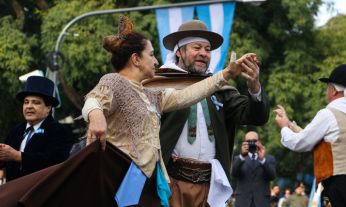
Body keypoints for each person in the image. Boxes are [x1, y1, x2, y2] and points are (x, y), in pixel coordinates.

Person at [82, 16, 251, 207]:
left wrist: (226, 73)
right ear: (136, 59)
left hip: (148, 178)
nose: (156, 61)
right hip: (124, 175)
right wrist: (95, 115)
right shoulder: (114, 81)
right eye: (152, 55)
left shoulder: (151, 94)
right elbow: (93, 99)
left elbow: (188, 95)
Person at [158, 20, 270, 207]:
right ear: (179, 52)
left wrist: (254, 86)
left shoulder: (219, 88)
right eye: (197, 47)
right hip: (171, 183)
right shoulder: (161, 85)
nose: (203, 53)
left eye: (208, 49)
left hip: (210, 187)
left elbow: (255, 116)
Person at [274, 64, 346, 207]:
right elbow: (321, 140)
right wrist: (290, 125)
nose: (326, 91)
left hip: (337, 187)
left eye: (328, 87)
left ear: (334, 90)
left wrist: (283, 128)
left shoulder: (328, 114)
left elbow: (300, 143)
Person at [0, 76, 73, 181]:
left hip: (41, 193)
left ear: (48, 108)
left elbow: (55, 161)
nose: (29, 106)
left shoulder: (59, 131)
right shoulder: (16, 130)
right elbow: (6, 160)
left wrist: (18, 156)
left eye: (36, 102)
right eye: (26, 102)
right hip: (14, 193)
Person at [231, 131, 276, 207]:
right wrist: (242, 156)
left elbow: (272, 176)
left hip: (262, 202)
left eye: (254, 141)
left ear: (259, 142)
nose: (251, 143)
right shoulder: (238, 159)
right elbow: (233, 173)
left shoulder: (269, 159)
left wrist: (262, 160)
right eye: (248, 141)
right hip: (243, 201)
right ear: (244, 143)